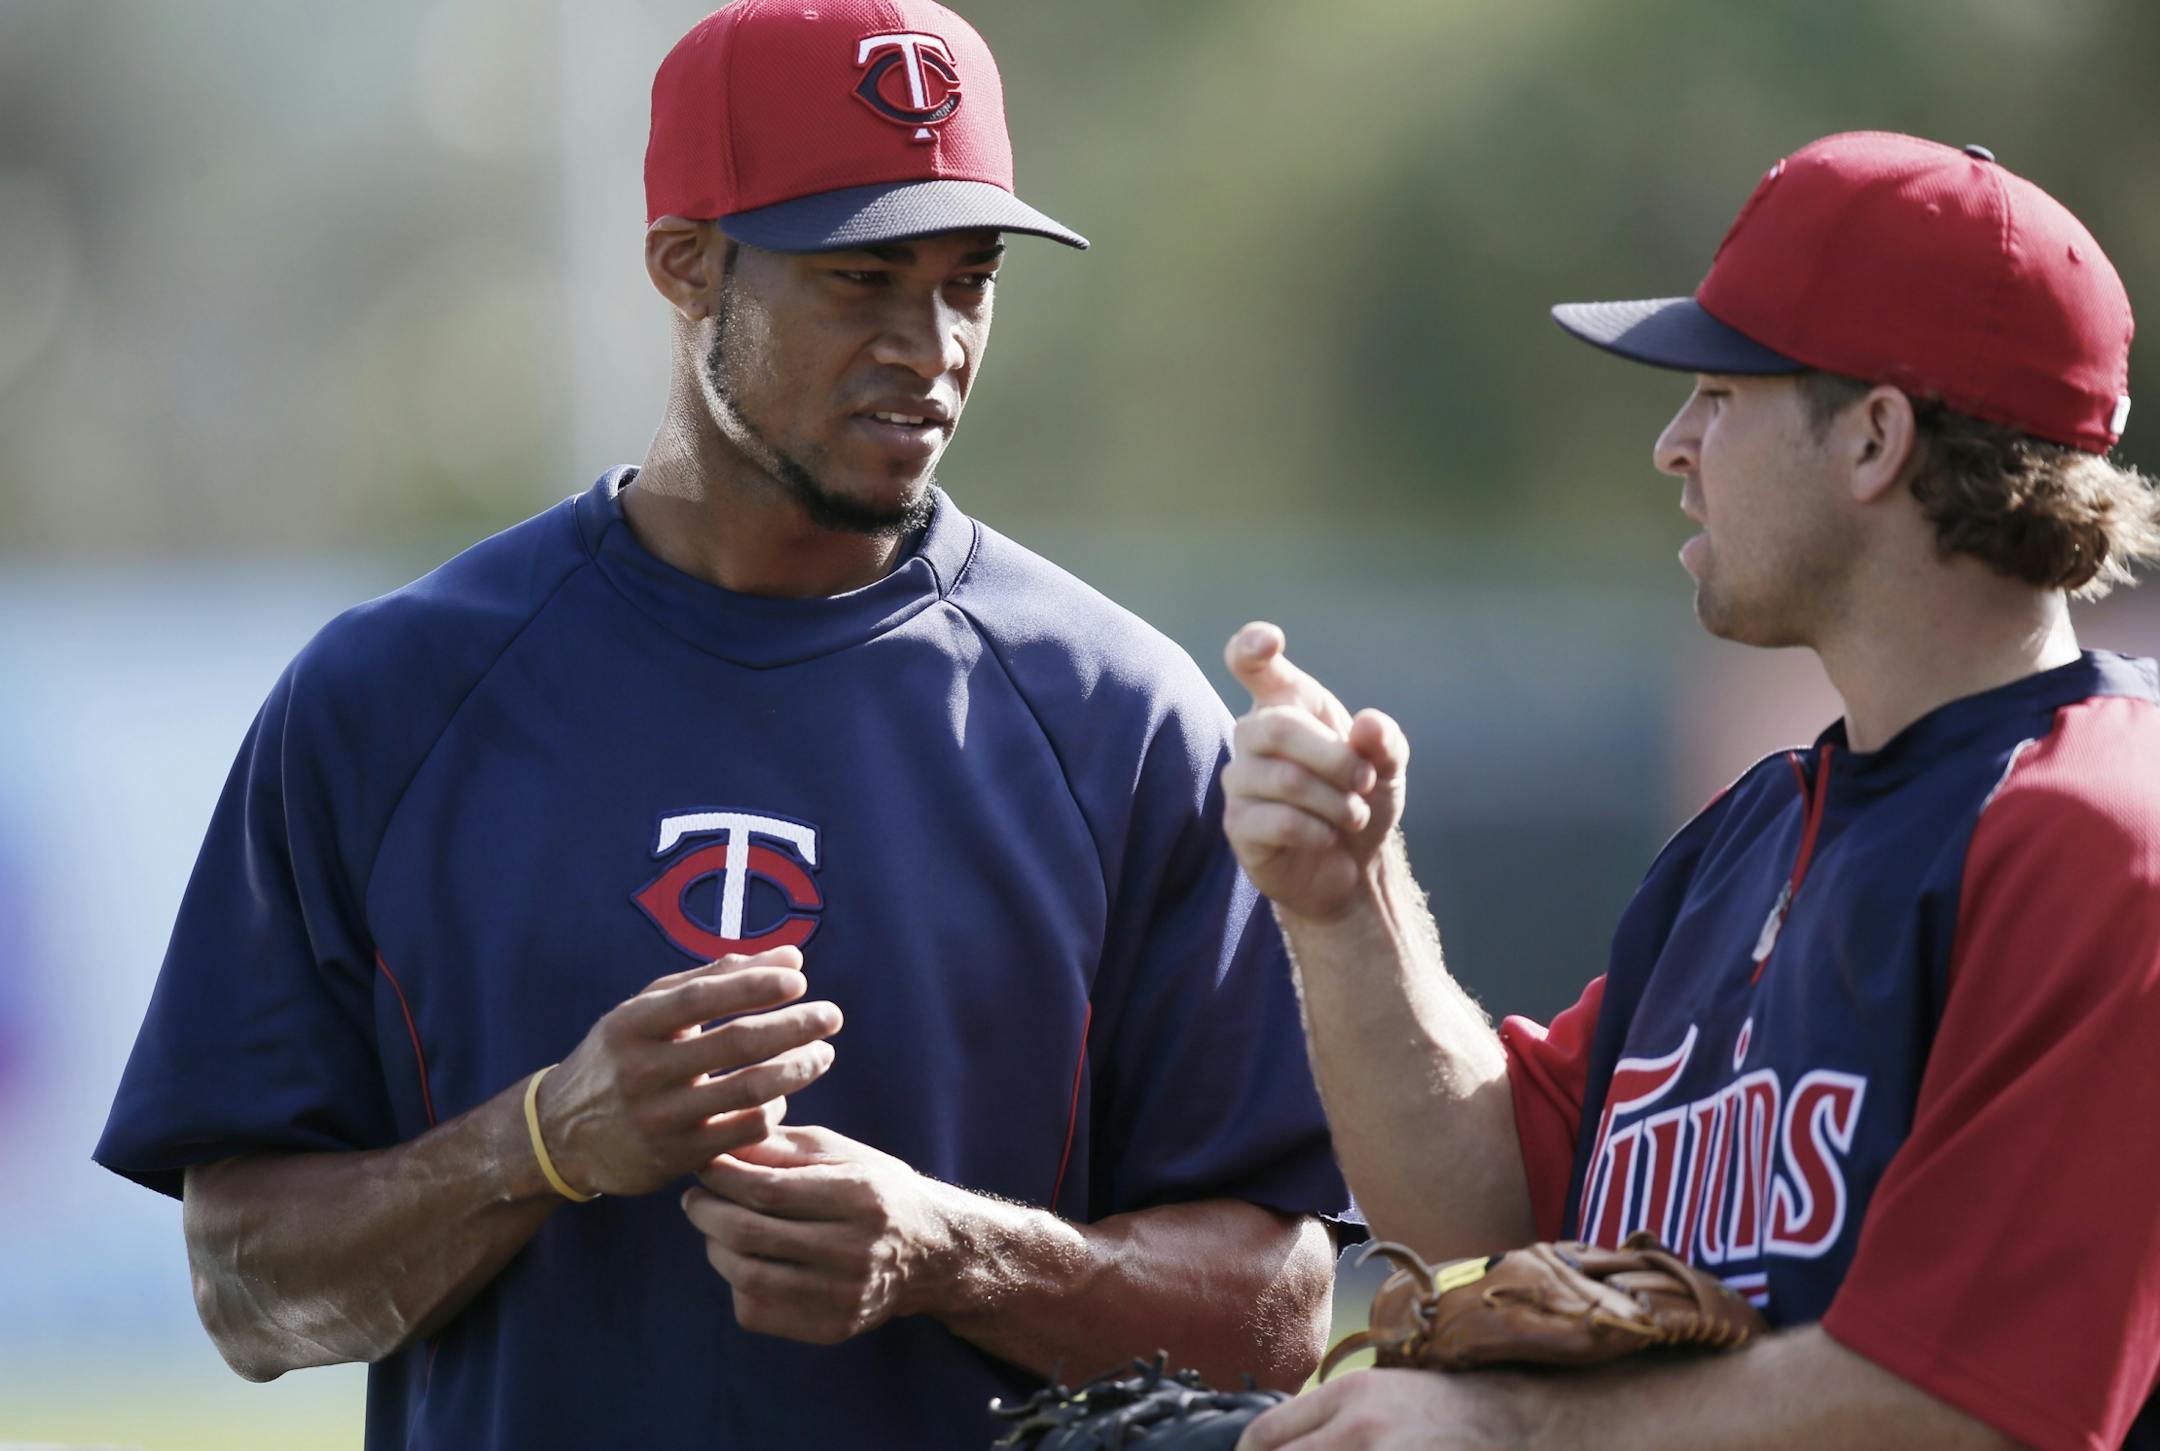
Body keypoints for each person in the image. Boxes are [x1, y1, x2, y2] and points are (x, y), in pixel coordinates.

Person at [92, 4, 1351, 1447]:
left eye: (967, 280)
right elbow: (247, 1291)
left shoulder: (1117, 720)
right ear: (685, 265)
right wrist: (544, 1141)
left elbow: (1282, 1315)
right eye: (860, 278)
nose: (927, 346)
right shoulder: (390, 699)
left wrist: (951, 1252)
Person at [1220, 132, 2160, 1451]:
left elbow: (1974, 1405)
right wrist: (1344, 900)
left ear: (1876, 437)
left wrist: (1513, 1435)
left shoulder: (2102, 839)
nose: (1675, 445)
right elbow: (1487, 1209)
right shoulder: (1763, 829)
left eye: (1722, 391)